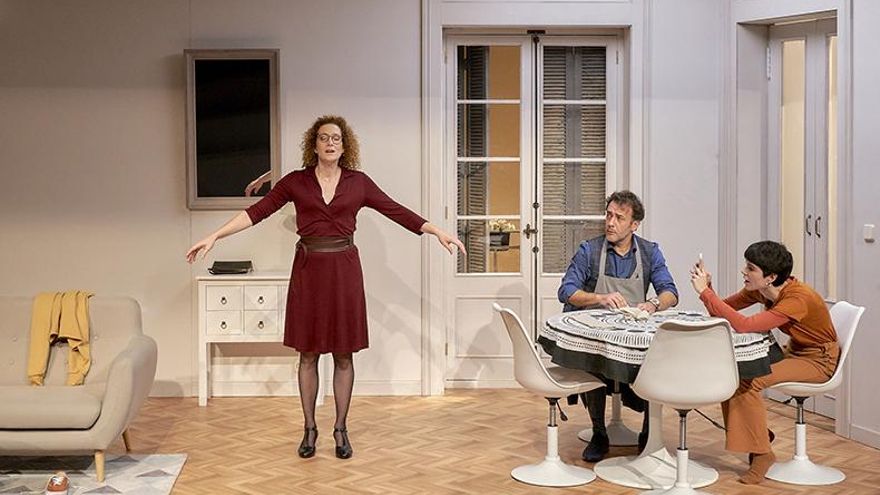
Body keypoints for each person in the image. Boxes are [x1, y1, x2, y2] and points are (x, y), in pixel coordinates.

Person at [186, 115, 465, 460]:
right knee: (308, 353)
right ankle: (309, 428)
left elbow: (396, 211)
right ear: (314, 145)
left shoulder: (359, 183)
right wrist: (214, 236)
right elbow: (257, 211)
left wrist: (437, 231)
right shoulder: (296, 182)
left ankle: (340, 429)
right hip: (308, 272)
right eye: (323, 138)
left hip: (345, 271)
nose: (330, 143)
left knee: (343, 354)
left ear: (344, 146)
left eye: (336, 138)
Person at [690, 240, 839, 484]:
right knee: (735, 373)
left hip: (819, 360)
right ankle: (758, 436)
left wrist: (705, 293)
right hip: (794, 351)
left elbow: (744, 325)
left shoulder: (798, 298)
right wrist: (708, 288)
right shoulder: (762, 289)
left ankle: (762, 453)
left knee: (752, 380)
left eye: (751, 268)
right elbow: (721, 310)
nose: (744, 272)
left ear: (770, 277)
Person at [557, 190, 679, 462]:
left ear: (634, 225)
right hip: (596, 339)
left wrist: (653, 304)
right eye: (608, 215)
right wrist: (599, 298)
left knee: (654, 361)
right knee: (596, 363)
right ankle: (599, 433)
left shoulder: (649, 252)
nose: (610, 222)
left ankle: (649, 433)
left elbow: (670, 292)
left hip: (632, 337)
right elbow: (566, 291)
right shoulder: (589, 250)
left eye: (619, 218)